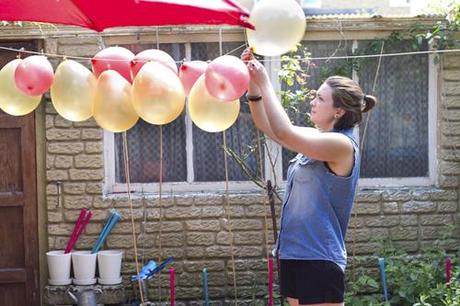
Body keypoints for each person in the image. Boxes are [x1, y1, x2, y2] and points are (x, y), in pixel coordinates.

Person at [241, 48, 377, 306]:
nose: (313, 102)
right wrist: (252, 82)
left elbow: (283, 131)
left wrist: (266, 80)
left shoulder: (342, 145)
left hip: (319, 258)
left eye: (320, 99)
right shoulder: (319, 139)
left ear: (338, 112)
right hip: (294, 253)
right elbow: (267, 126)